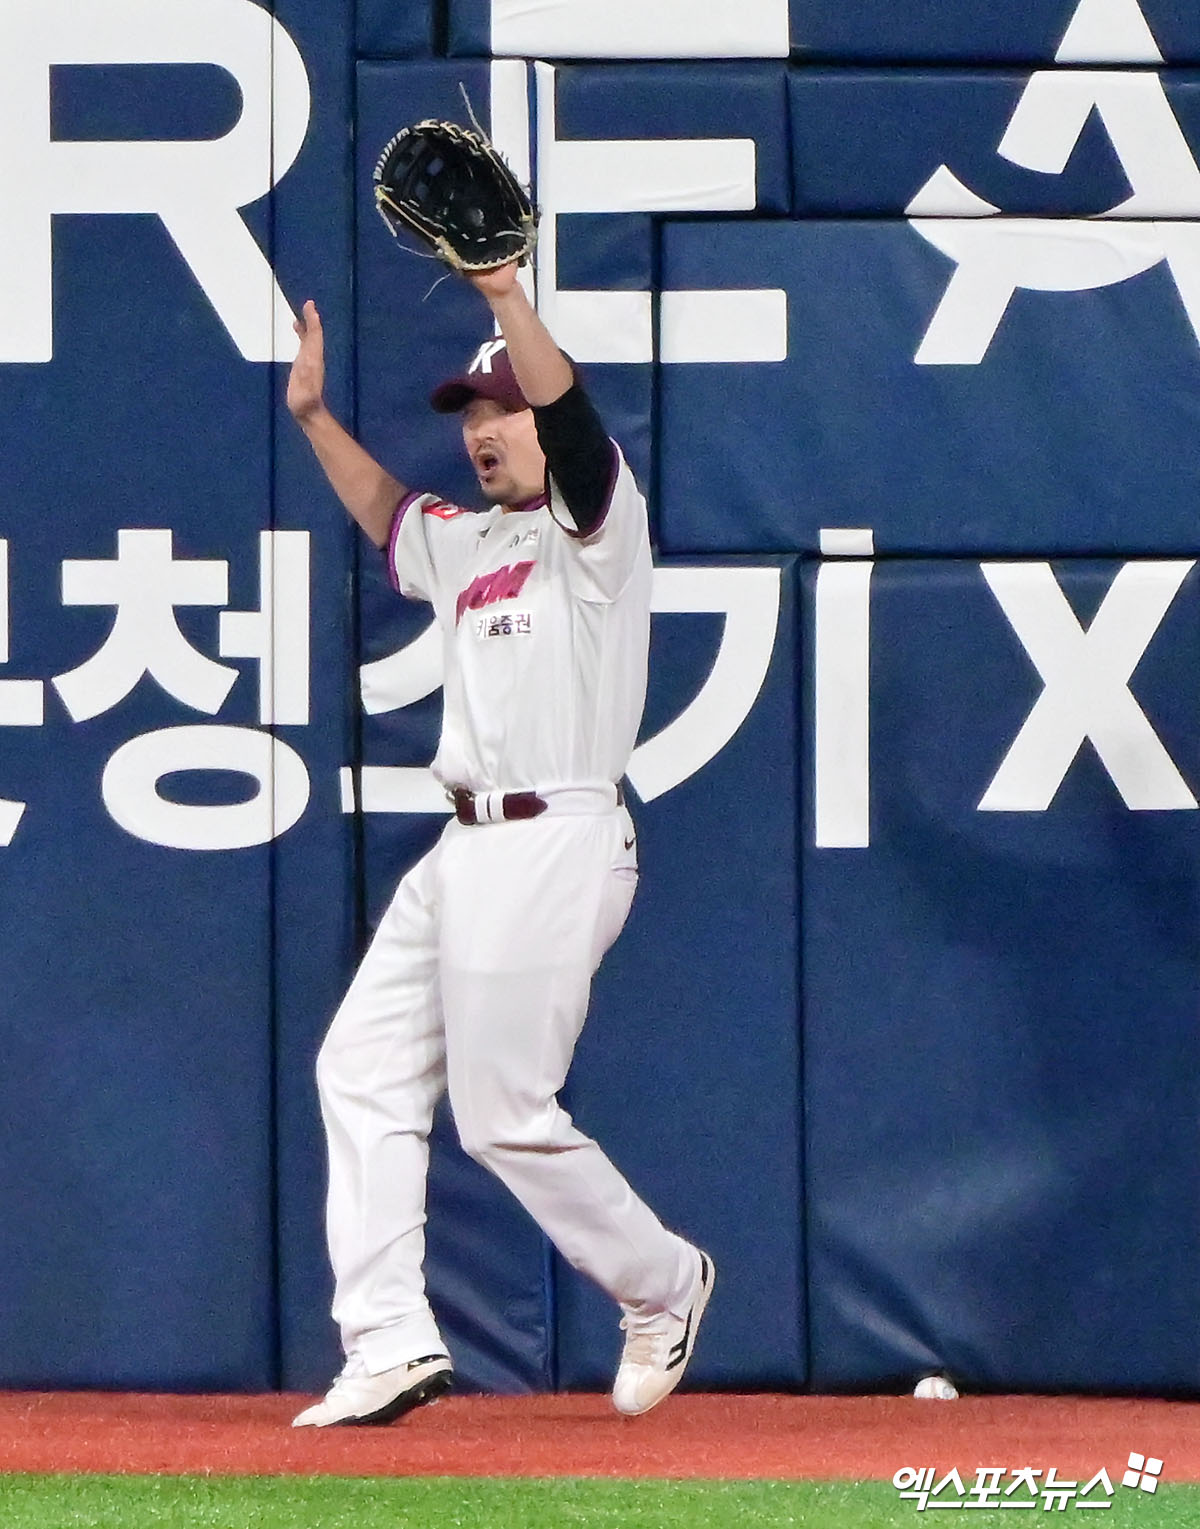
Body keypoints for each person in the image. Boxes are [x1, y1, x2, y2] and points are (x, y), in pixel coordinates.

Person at [284, 261, 713, 1427]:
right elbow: (392, 515)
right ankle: (387, 1340)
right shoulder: (472, 541)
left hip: (559, 832)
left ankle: (663, 1281)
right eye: (470, 415)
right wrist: (314, 417)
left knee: (502, 1113)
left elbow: (572, 425)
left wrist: (507, 300)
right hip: (465, 843)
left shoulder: (599, 529)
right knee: (359, 1066)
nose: (482, 431)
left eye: (501, 410)